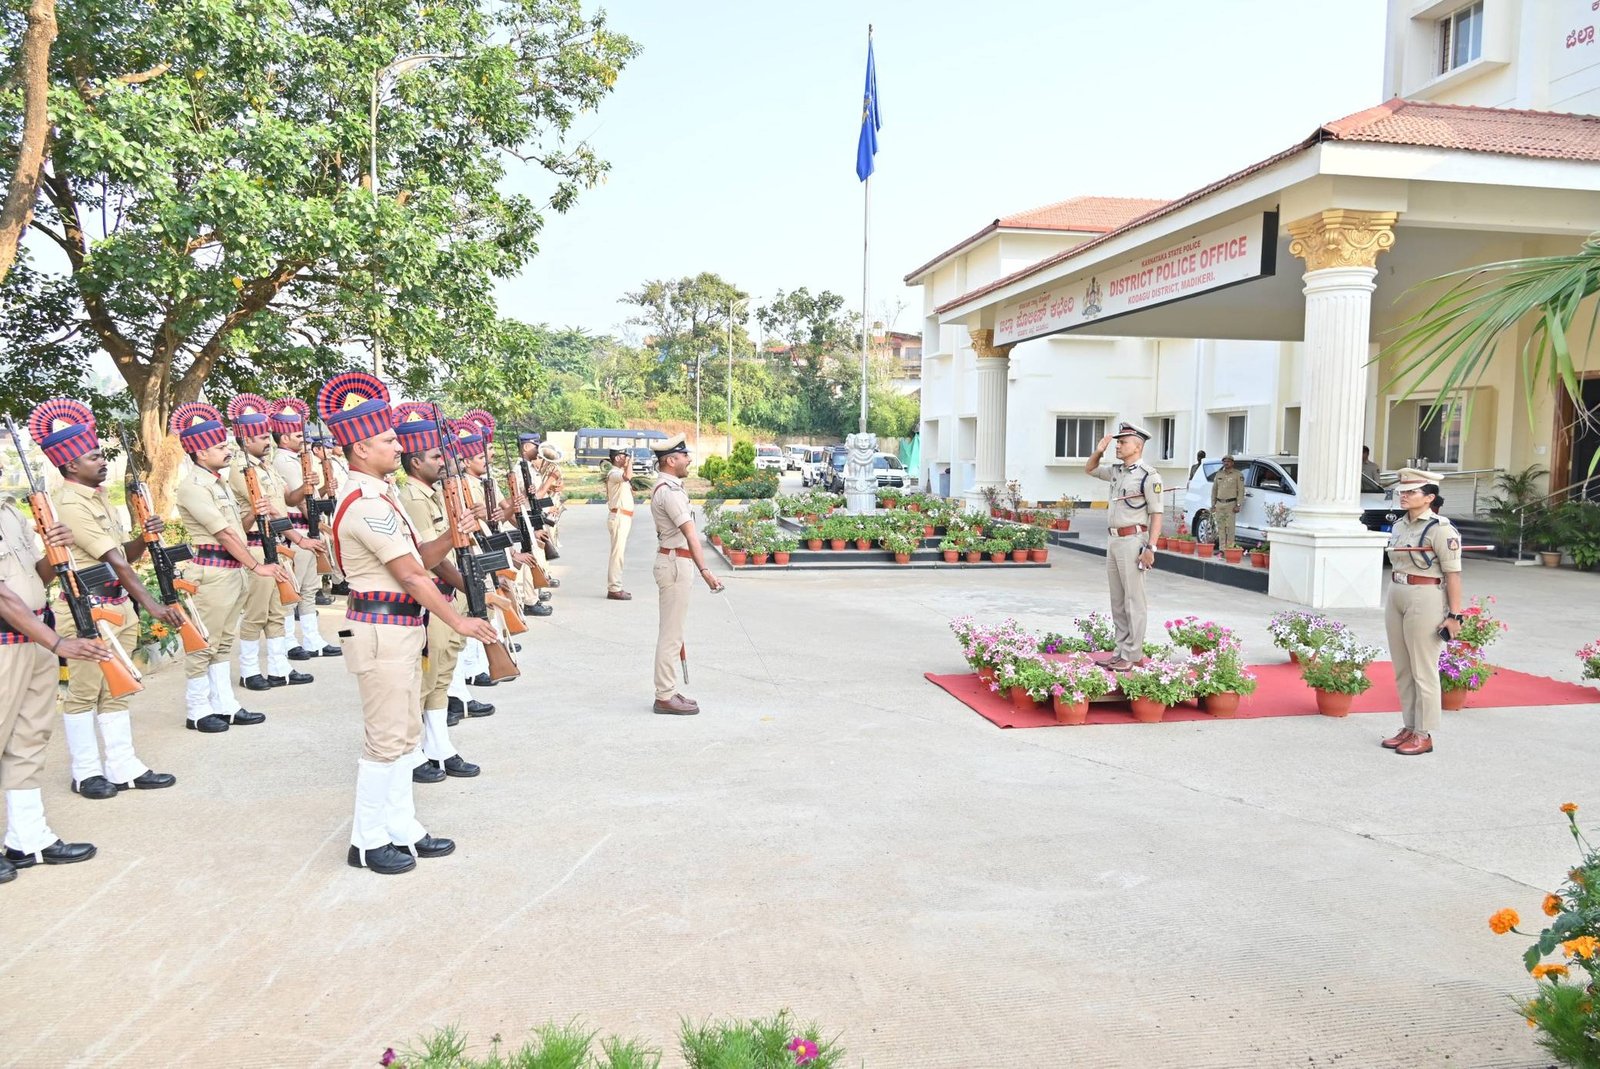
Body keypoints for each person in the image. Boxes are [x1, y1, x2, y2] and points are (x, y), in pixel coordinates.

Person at [316, 372, 499, 875]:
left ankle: (402, 827)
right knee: (386, 739)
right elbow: (413, 575)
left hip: (398, 627)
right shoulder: (367, 503)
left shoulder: (383, 495)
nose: (399, 446)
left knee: (402, 737)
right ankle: (367, 841)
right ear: (358, 449)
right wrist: (458, 620)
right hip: (382, 628)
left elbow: (418, 554)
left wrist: (452, 536)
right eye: (388, 440)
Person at [30, 398, 179, 798]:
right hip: (86, 611)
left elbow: (123, 556)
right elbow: (118, 564)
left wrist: (143, 539)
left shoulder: (99, 499)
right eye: (94, 456)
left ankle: (121, 765)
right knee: (82, 692)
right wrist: (153, 605)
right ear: (70, 466)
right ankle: (85, 771)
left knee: (118, 688)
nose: (103, 462)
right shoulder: (69, 503)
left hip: (114, 607)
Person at [0, 455, 111, 877]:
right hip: (10, 642)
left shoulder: (9, 512)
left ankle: (27, 840)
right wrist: (58, 641)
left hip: (33, 638)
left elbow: (35, 578)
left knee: (29, 740)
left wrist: (52, 547)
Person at [169, 402, 277, 733]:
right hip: (213, 572)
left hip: (231, 570)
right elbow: (224, 533)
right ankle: (197, 708)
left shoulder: (219, 483)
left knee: (224, 640)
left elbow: (238, 528)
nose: (227, 449)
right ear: (200, 453)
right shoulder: (193, 486)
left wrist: (253, 513)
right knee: (204, 642)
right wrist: (257, 566)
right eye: (219, 447)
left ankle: (224, 704)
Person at [393, 404, 483, 782]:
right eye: (435, 456)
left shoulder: (431, 493)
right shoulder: (413, 497)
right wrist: (469, 587)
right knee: (426, 678)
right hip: (434, 594)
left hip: (449, 591)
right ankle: (413, 750)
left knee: (443, 674)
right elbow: (430, 557)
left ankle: (439, 745)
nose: (443, 462)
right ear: (415, 463)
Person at [225, 394, 315, 691]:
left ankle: (280, 668)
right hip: (255, 545)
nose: (268, 441)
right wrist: (297, 538)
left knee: (278, 610)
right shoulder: (242, 470)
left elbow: (286, 501)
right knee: (257, 613)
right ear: (246, 439)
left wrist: (308, 487)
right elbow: (256, 515)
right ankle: (250, 671)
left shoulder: (266, 467)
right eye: (263, 437)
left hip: (276, 543)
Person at [1382, 468, 1464, 757]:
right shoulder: (1400, 526)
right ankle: (1409, 725)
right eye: (1402, 491)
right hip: (1397, 593)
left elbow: (1453, 574)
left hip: (1425, 595)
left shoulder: (1441, 529)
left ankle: (1423, 733)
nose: (1404, 496)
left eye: (1411, 492)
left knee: (1423, 668)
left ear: (1429, 497)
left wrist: (1454, 615)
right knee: (1403, 667)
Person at [648, 434, 722, 714]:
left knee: (674, 631)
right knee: (671, 633)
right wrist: (705, 571)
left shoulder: (671, 488)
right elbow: (690, 534)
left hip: (675, 561)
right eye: (683, 456)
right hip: (675, 563)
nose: (688, 459)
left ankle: (669, 688)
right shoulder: (669, 492)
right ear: (670, 460)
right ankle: (664, 695)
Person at [1084, 421, 1164, 671]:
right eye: (1118, 442)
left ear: (1137, 446)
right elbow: (1090, 469)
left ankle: (1132, 653)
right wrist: (1099, 451)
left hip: (1133, 540)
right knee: (1118, 599)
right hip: (1114, 540)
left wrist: (1151, 548)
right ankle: (1120, 650)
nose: (1118, 446)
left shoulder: (1149, 476)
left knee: (1134, 599)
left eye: (1123, 442)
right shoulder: (1117, 471)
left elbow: (1157, 514)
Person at [270, 399, 338, 660]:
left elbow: (306, 497)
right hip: (296, 531)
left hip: (306, 529)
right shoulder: (285, 461)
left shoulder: (297, 459)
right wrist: (317, 517)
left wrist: (321, 490)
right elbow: (296, 499)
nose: (304, 440)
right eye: (299, 435)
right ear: (284, 437)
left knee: (309, 589)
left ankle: (312, 638)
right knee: (294, 590)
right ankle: (290, 640)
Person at [605, 447, 634, 600]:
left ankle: (615, 586)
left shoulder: (616, 473)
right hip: (619, 517)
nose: (627, 458)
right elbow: (627, 476)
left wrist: (628, 461)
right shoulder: (614, 473)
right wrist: (630, 462)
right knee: (617, 554)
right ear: (617, 458)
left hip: (623, 517)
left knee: (619, 553)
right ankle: (614, 588)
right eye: (624, 456)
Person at [1209, 455, 1244, 550]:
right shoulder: (1219, 474)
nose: (1226, 463)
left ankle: (1230, 549)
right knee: (1221, 528)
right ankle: (1222, 549)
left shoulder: (1238, 474)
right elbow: (1214, 490)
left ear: (1232, 463)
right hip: (1219, 504)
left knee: (1230, 528)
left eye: (1228, 461)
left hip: (1231, 504)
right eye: (1224, 461)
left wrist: (1238, 504)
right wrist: (1213, 504)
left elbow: (1241, 490)